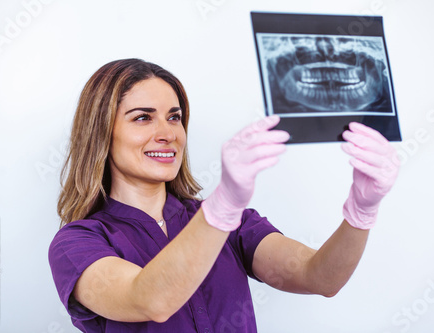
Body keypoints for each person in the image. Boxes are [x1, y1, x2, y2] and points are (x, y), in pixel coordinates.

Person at [48, 58, 399, 333]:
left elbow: (319, 277)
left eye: (175, 117)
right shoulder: (77, 244)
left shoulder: (234, 224)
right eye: (142, 118)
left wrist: (361, 211)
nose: (167, 133)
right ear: (100, 133)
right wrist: (224, 205)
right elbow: (149, 300)